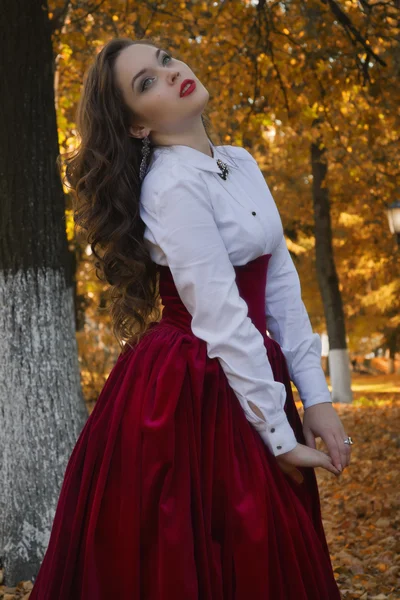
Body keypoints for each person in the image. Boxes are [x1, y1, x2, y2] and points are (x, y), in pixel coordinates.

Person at [29, 37, 353, 599]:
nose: (171, 71)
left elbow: (280, 287)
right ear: (135, 127)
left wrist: (317, 399)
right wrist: (278, 435)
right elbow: (223, 316)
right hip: (192, 386)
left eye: (164, 59)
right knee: (209, 543)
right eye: (146, 82)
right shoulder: (171, 185)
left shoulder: (241, 162)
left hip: (253, 369)